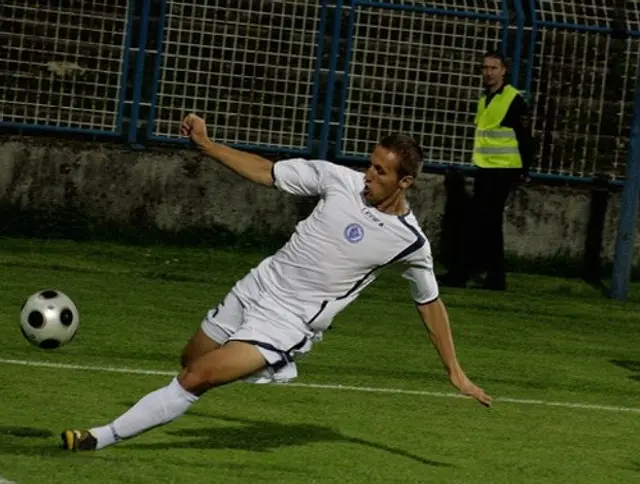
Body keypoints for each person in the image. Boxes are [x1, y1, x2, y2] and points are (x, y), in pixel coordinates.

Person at [60, 114, 492, 452]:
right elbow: (268, 172)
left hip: (286, 322)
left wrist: (454, 370)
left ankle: (101, 436)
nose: (367, 175)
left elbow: (430, 303)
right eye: (369, 165)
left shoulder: (409, 242)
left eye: (380, 172)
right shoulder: (336, 180)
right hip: (257, 286)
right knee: (190, 360)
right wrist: (208, 146)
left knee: (199, 377)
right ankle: (254, 365)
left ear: (406, 182)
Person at [439, 51, 534, 291]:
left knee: (481, 222)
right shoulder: (485, 99)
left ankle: (468, 273)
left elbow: (525, 138)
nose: (488, 73)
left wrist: (524, 170)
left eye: (493, 68)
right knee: (485, 223)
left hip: (503, 170)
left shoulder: (513, 99)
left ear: (504, 70)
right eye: (485, 68)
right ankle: (490, 277)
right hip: (486, 168)